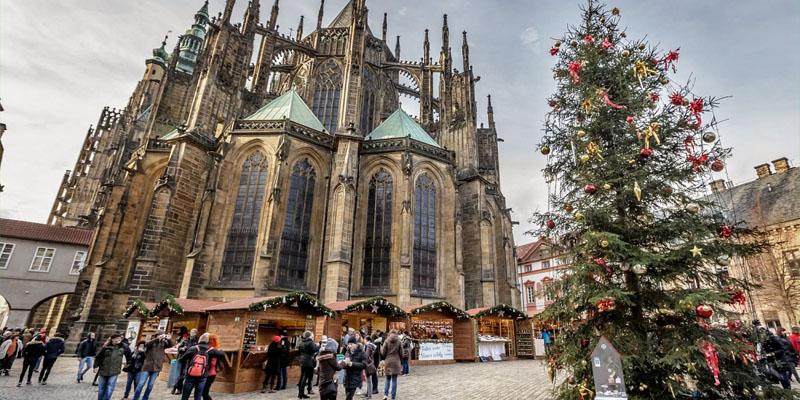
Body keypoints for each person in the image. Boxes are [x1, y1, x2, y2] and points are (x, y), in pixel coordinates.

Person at [179, 333, 224, 400]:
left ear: (199, 340)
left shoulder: (193, 348)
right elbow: (221, 354)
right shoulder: (211, 350)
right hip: (203, 375)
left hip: (190, 375)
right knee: (198, 395)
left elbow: (181, 360)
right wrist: (221, 350)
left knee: (185, 395)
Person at [134, 330, 174, 400]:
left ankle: (145, 397)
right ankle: (136, 398)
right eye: (160, 335)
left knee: (150, 385)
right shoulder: (151, 341)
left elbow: (171, 346)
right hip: (147, 366)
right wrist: (157, 339)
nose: (161, 336)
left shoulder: (164, 343)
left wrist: (169, 339)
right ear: (156, 335)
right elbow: (146, 344)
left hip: (157, 367)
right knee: (141, 383)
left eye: (162, 335)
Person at [94, 333, 132, 400]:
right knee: (101, 387)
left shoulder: (123, 346)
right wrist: (95, 366)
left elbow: (129, 354)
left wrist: (128, 363)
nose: (118, 340)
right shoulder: (106, 347)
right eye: (117, 338)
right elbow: (98, 357)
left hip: (114, 370)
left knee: (110, 387)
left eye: (119, 338)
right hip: (104, 369)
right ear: (112, 339)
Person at [173, 328, 198, 395]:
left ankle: (176, 387)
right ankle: (179, 388)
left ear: (196, 334)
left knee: (186, 375)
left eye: (193, 332)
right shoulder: (185, 340)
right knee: (181, 374)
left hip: (191, 359)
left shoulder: (196, 342)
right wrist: (182, 348)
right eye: (191, 332)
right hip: (183, 358)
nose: (192, 333)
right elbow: (179, 348)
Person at [201, 333, 223, 400]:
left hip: (208, 373)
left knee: (204, 392)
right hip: (210, 373)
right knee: (204, 392)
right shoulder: (216, 350)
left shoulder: (211, 350)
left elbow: (212, 363)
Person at [297, 330, 319, 399]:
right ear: (309, 336)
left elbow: (299, 351)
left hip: (302, 360)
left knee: (302, 376)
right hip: (308, 361)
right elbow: (315, 349)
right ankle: (301, 393)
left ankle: (300, 393)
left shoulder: (301, 342)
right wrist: (319, 345)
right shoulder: (310, 342)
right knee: (305, 377)